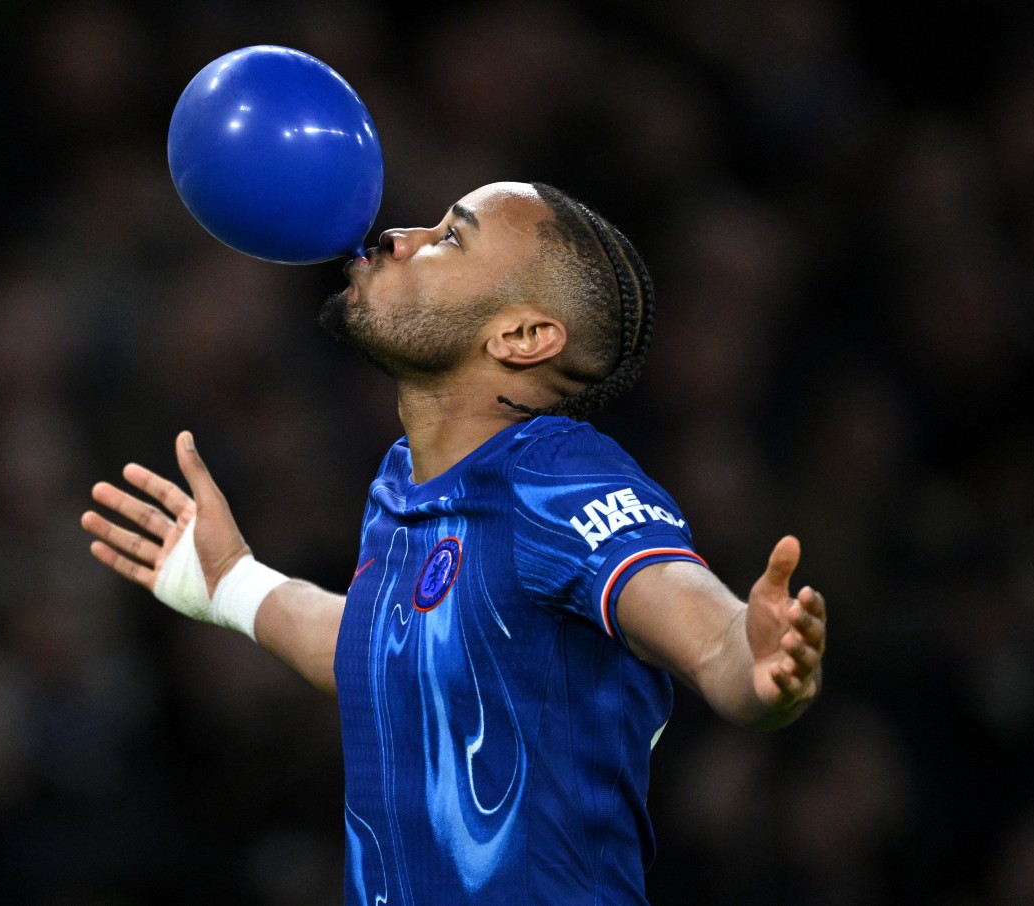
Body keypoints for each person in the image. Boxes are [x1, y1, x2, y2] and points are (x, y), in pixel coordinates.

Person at [81, 181, 827, 904]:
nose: (398, 238)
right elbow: (380, 650)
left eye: (448, 238)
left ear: (522, 336)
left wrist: (746, 659)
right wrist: (233, 583)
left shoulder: (557, 474)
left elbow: (691, 619)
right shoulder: (402, 484)